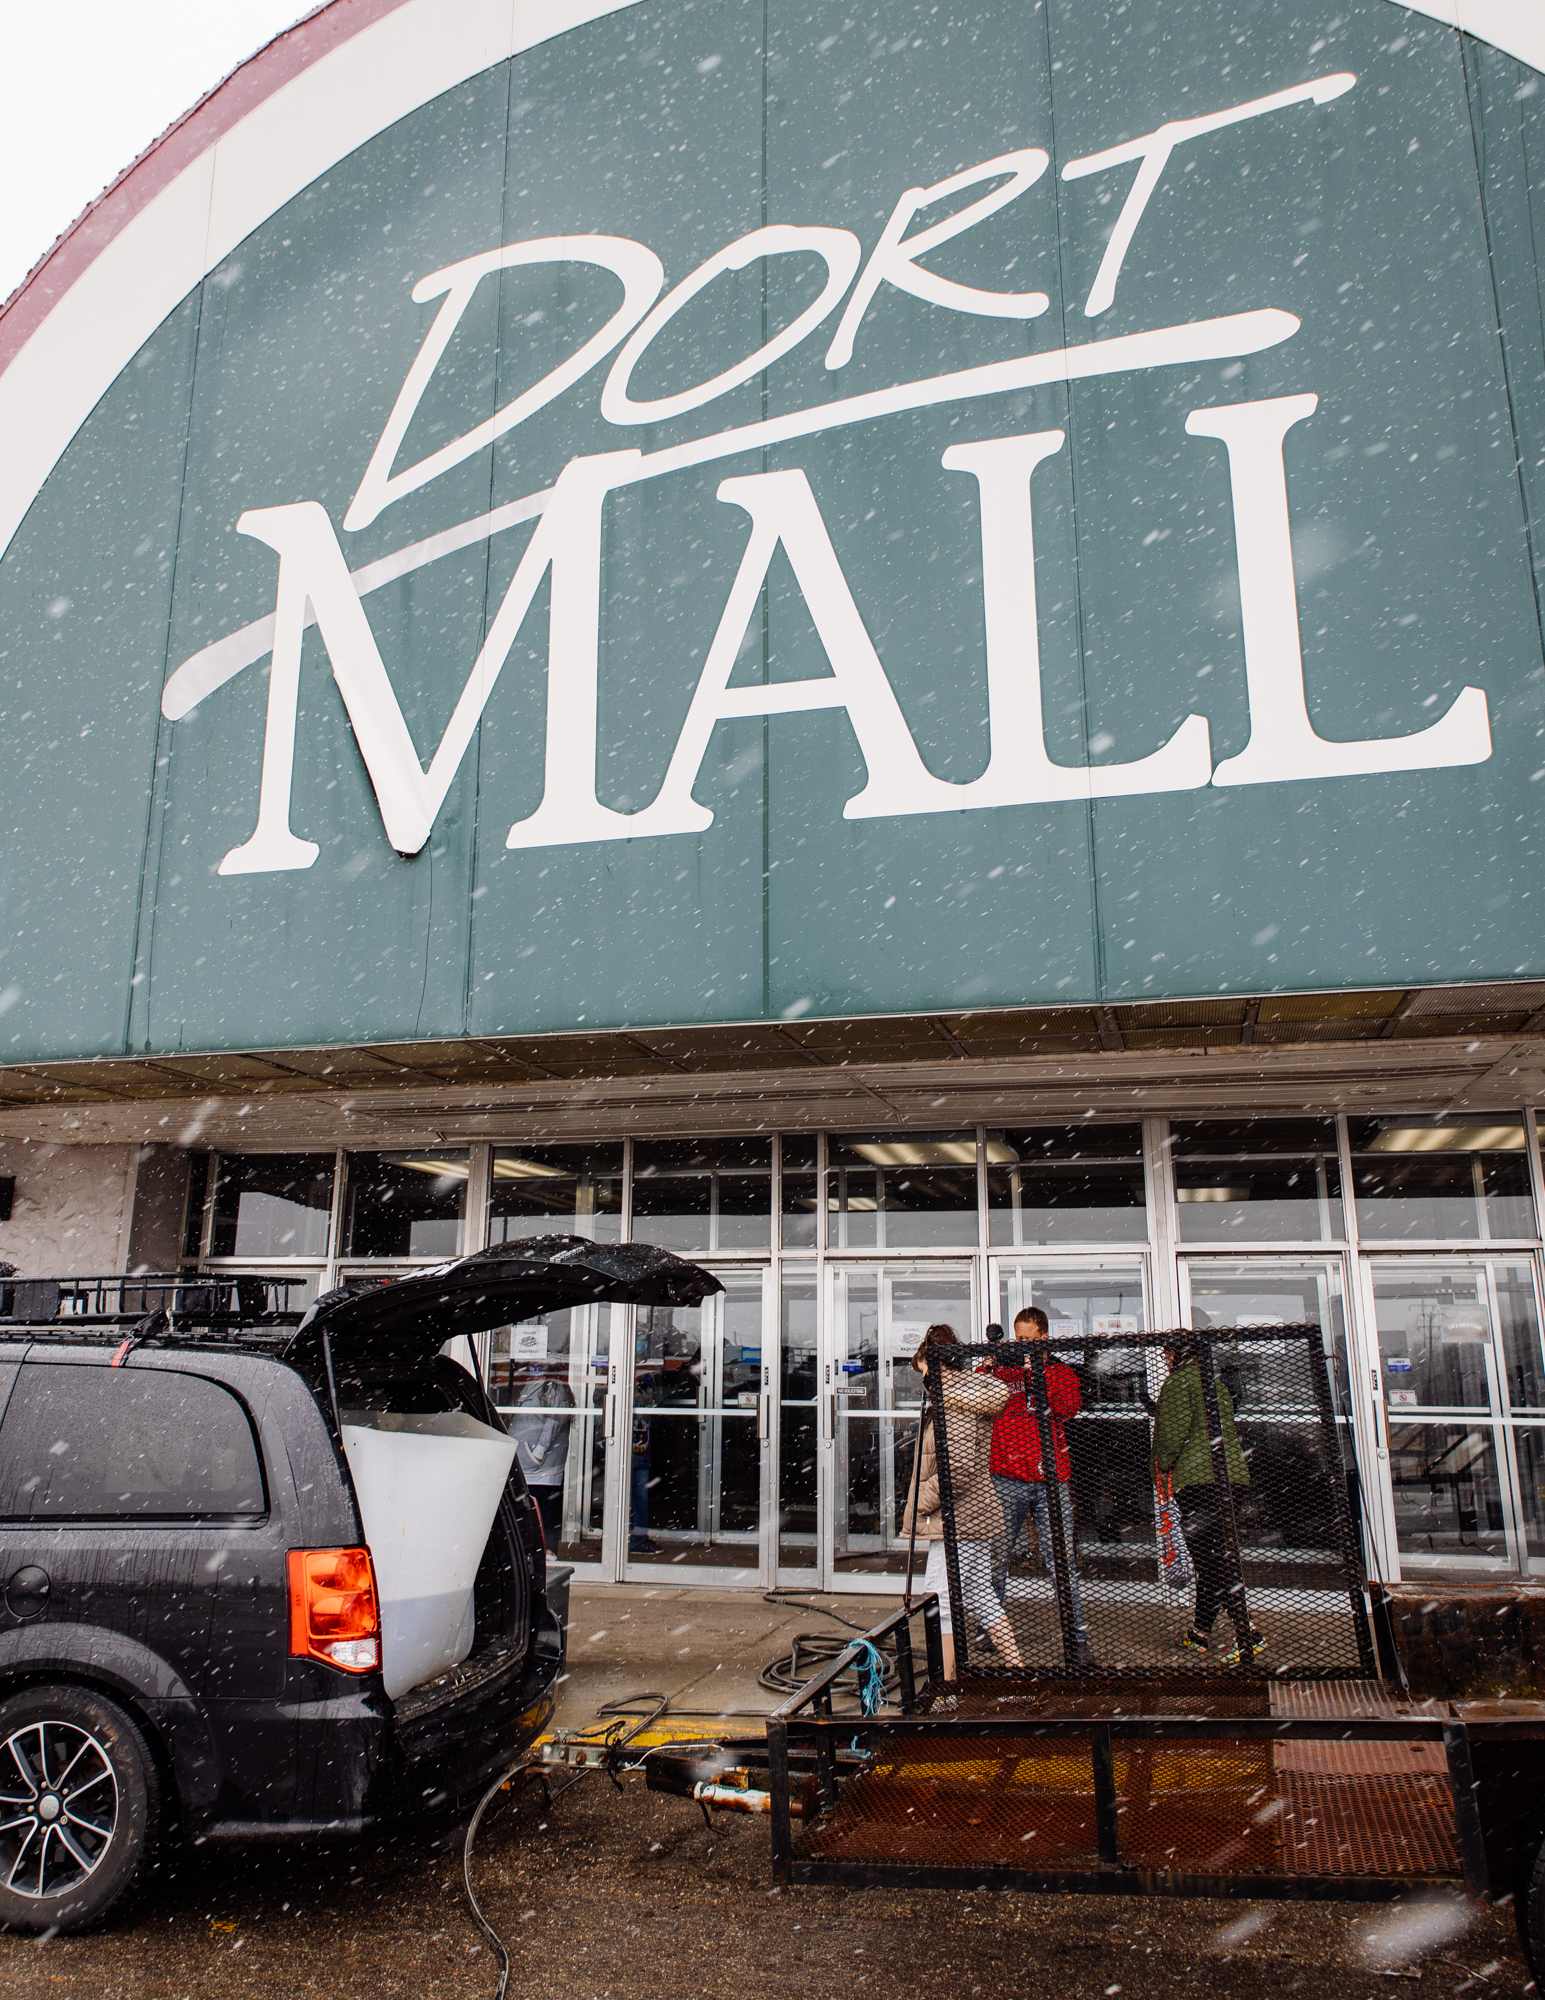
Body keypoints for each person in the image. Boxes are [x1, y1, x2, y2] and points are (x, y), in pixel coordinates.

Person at [901, 1323, 1022, 1678]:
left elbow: (958, 1469)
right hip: (974, 1514)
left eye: (924, 1371)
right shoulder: (966, 1396)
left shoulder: (954, 1404)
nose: (924, 1381)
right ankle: (1019, 1671)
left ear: (935, 1365)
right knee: (979, 1593)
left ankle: (945, 1683)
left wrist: (921, 1502)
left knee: (939, 1600)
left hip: (958, 1520)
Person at [987, 1307, 1093, 1665]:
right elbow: (980, 1399)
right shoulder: (1005, 1370)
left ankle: (1076, 1637)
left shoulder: (1059, 1372)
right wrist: (991, 1363)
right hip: (1006, 1476)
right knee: (997, 1557)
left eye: (1028, 1340)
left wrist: (1037, 1374)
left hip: (1050, 1480)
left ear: (1044, 1338)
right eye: (1017, 1339)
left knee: (1060, 1560)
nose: (1021, 1345)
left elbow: (1069, 1407)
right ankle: (991, 1628)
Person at [1151, 1333, 1262, 1663]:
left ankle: (1249, 1634)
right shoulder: (1214, 1382)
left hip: (1200, 1478)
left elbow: (1171, 1436)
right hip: (1231, 1476)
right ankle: (1199, 1633)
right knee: (1214, 1556)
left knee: (1210, 1560)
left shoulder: (1178, 1382)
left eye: (1168, 1353)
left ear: (1178, 1354)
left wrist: (1161, 1465)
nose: (1166, 1360)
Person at [508, 1361, 575, 1550]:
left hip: (542, 1467)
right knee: (530, 1512)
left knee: (545, 1511)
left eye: (541, 1364)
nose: (536, 1368)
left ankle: (548, 1552)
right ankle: (532, 1551)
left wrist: (538, 1452)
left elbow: (554, 1421)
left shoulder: (554, 1388)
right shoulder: (528, 1385)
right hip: (525, 1464)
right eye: (533, 1364)